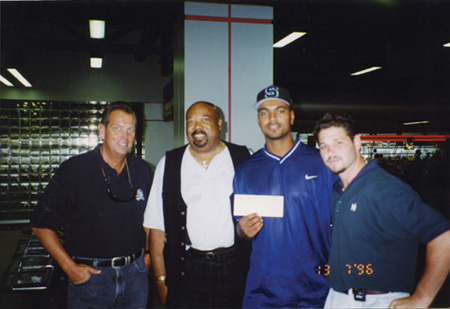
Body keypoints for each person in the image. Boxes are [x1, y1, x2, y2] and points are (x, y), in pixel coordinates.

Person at [313, 112, 450, 308]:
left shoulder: (383, 188)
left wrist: (422, 297)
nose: (330, 152)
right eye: (324, 146)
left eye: (338, 143)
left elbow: (444, 237)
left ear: (357, 142)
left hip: (375, 301)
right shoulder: (339, 190)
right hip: (340, 298)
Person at [30, 102, 153, 308]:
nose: (125, 136)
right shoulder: (74, 170)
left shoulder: (142, 171)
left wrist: (147, 255)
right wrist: (70, 268)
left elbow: (151, 219)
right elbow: (41, 223)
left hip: (135, 277)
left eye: (130, 130)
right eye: (117, 128)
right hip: (91, 280)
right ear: (102, 131)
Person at [233, 85, 337, 308]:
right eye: (264, 112)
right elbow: (240, 228)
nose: (271, 117)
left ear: (291, 116)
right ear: (258, 120)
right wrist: (242, 230)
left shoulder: (321, 164)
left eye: (279, 110)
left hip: (315, 292)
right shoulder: (245, 171)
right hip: (261, 293)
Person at [144, 101, 250, 308]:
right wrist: (160, 279)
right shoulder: (170, 163)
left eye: (204, 119)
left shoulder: (242, 158)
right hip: (187, 268)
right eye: (190, 121)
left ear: (220, 124)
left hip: (233, 268)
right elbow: (156, 228)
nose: (196, 127)